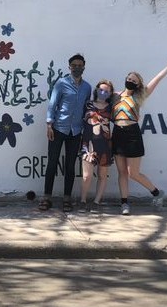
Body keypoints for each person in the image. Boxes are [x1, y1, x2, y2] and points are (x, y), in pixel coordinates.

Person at [112, 60, 167, 215]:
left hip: (132, 134)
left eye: (134, 81)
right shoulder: (115, 95)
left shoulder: (139, 96)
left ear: (138, 85)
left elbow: (156, 79)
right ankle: (124, 204)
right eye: (129, 79)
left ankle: (157, 193)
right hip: (117, 133)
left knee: (133, 173)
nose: (130, 81)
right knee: (122, 172)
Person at [39, 54, 92, 212]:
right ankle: (47, 197)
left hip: (75, 132)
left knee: (70, 166)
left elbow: (86, 108)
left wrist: (86, 129)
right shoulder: (61, 83)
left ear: (84, 67)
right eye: (74, 65)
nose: (77, 68)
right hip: (58, 129)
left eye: (79, 65)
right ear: (69, 67)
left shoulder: (87, 87)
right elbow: (52, 104)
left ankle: (67, 199)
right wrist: (49, 125)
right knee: (52, 163)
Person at [78, 79, 114, 211]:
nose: (103, 92)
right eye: (101, 89)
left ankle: (97, 202)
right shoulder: (88, 104)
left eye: (107, 91)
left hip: (105, 145)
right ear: (97, 90)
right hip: (88, 144)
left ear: (110, 93)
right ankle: (82, 200)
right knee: (87, 175)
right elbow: (84, 118)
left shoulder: (111, 107)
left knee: (102, 175)